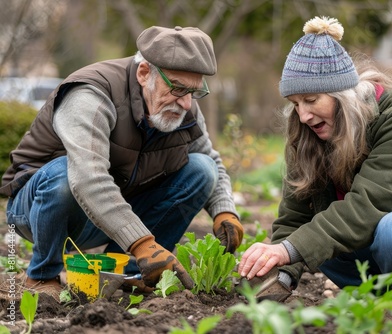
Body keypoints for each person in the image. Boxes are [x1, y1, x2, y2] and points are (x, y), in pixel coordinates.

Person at [238, 16, 392, 300]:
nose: (303, 115)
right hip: (372, 244)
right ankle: (380, 301)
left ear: (342, 94)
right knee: (317, 241)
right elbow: (295, 215)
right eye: (295, 104)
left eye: (311, 100)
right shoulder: (309, 131)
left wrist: (288, 250)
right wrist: (281, 274)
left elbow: (368, 206)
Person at [0, 25, 243, 300]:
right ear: (143, 74)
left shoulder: (181, 104)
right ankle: (42, 274)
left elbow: (210, 158)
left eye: (194, 91)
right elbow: (88, 178)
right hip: (40, 211)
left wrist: (225, 211)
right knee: (63, 175)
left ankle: (130, 274)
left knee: (202, 170)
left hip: (113, 208)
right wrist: (142, 242)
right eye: (177, 88)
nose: (186, 103)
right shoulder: (90, 94)